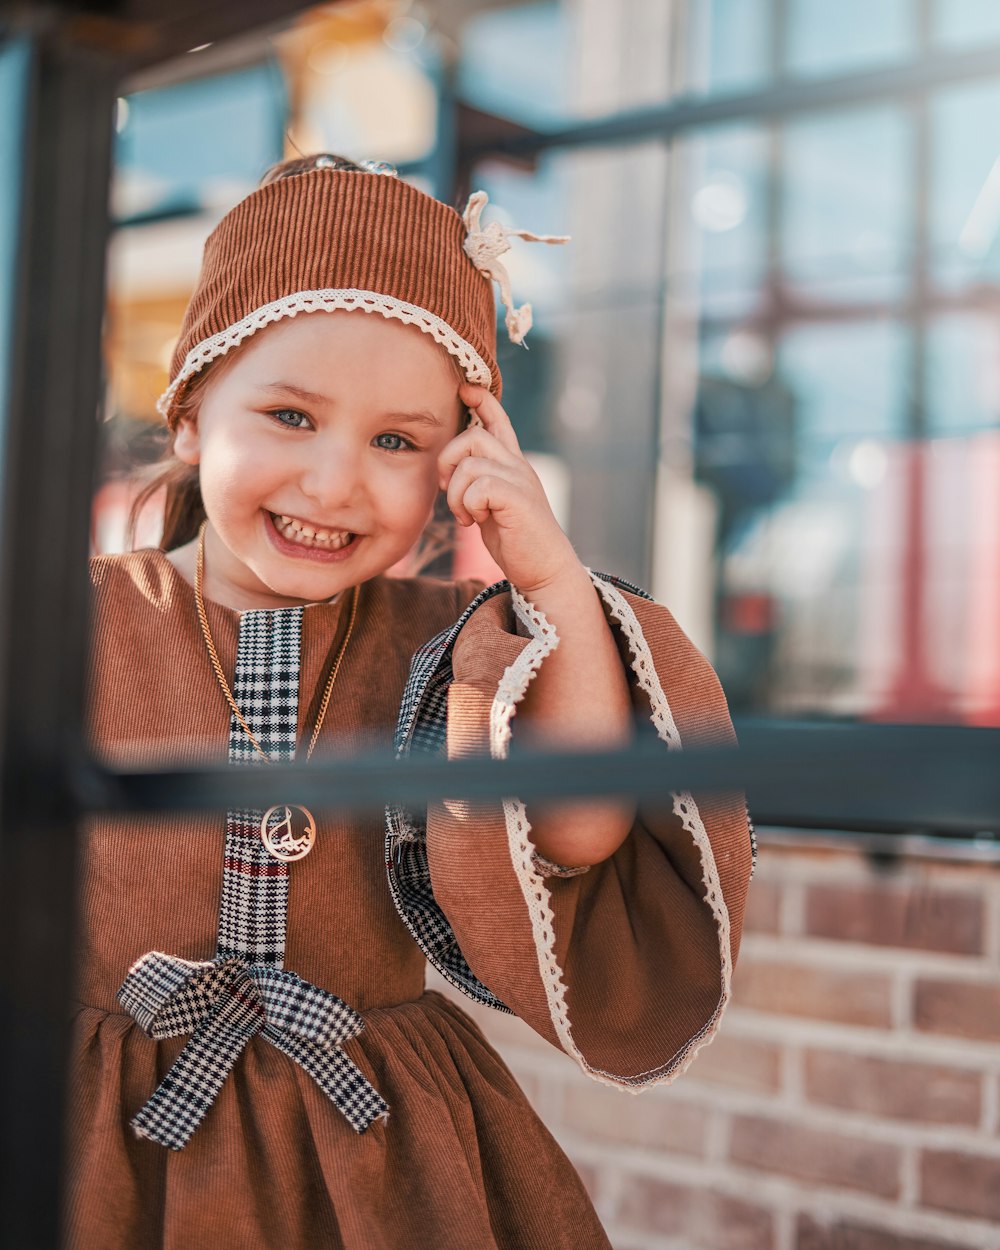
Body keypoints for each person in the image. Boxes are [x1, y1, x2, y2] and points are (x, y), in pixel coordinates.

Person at [68, 154, 754, 1250]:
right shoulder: (69, 617)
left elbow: (574, 825)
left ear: (457, 462)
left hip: (376, 1156)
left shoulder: (452, 643)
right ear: (192, 413)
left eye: (396, 440)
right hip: (102, 1141)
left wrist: (551, 584)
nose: (336, 481)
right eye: (290, 415)